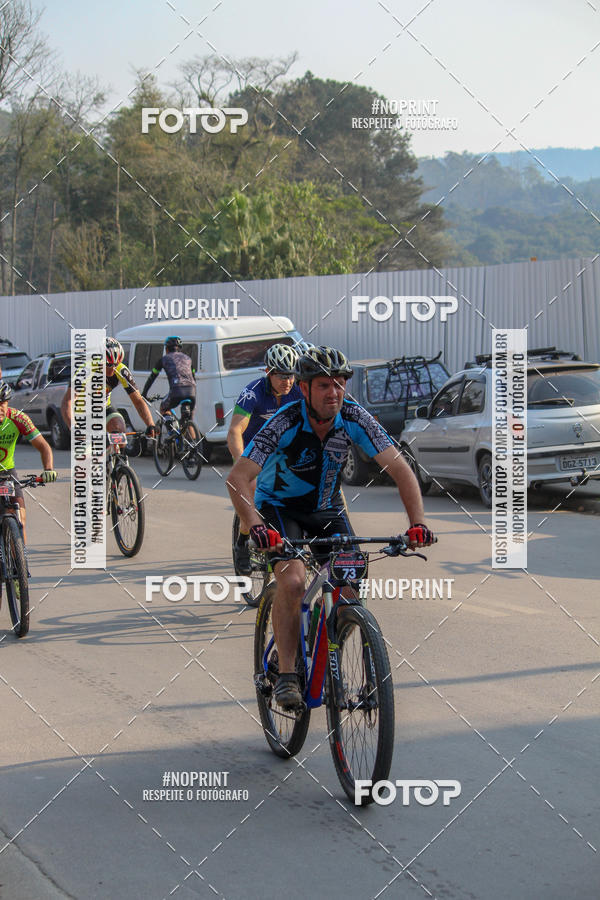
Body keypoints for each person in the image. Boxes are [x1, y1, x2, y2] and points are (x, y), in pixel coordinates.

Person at [227, 346, 435, 709]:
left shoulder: (354, 416)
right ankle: (288, 673)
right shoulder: (285, 421)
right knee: (292, 582)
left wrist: (417, 524)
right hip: (279, 507)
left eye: (339, 384)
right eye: (324, 385)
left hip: (327, 509)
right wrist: (255, 526)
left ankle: (333, 649)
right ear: (304, 389)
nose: (334, 392)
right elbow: (238, 479)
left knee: (350, 585)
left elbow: (401, 469)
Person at [227, 343, 302, 573]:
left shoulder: (299, 392)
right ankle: (242, 542)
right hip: (253, 451)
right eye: (281, 375)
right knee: (251, 490)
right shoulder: (254, 392)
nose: (287, 381)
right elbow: (235, 431)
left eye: (290, 375)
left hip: (282, 452)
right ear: (268, 372)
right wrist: (241, 464)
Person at [61, 337, 156, 438]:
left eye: (116, 364)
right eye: (109, 364)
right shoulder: (86, 370)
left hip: (104, 408)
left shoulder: (122, 371)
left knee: (118, 428)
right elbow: (67, 401)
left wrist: (150, 424)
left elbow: (138, 401)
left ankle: (119, 452)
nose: (113, 368)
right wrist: (74, 427)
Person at [0, 381, 57, 545]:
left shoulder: (18, 418)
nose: (0, 408)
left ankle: (22, 568)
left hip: (7, 473)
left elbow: (44, 446)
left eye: (2, 403)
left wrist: (48, 469)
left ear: (8, 402)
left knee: (20, 520)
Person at [142, 335, 196, 419]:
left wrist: (144, 394)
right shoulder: (188, 358)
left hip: (176, 391)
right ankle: (190, 427)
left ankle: (171, 429)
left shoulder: (164, 359)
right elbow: (193, 376)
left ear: (166, 349)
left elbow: (152, 378)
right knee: (189, 420)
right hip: (192, 391)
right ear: (180, 348)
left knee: (163, 408)